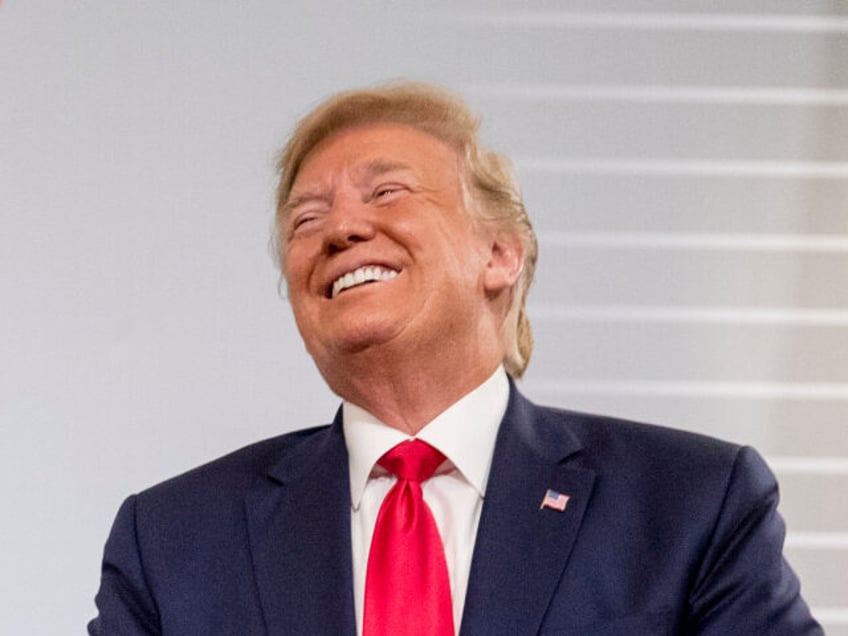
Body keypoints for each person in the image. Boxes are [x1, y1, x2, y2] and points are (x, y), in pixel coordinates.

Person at [89, 82, 823, 635]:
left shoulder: (692, 505)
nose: (341, 228)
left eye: (388, 192)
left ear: (500, 253)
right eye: (305, 219)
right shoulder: (172, 541)